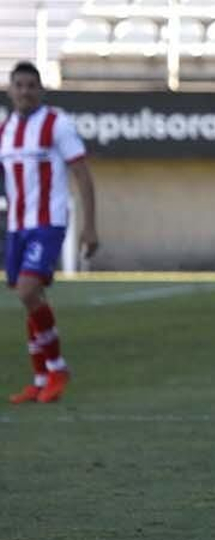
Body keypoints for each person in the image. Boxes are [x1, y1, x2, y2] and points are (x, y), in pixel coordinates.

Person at [3, 62, 98, 404]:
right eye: (19, 85)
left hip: (48, 223)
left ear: (41, 89)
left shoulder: (57, 123)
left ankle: (57, 367)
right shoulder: (5, 128)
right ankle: (40, 378)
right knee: (29, 300)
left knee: (29, 292)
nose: (25, 91)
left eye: (31, 85)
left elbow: (82, 174)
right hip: (16, 226)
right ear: (10, 89)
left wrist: (89, 225)